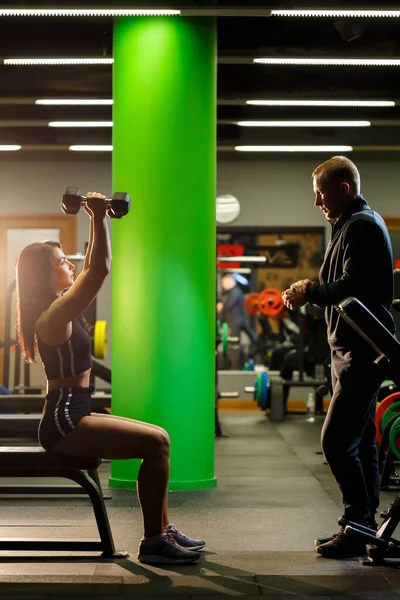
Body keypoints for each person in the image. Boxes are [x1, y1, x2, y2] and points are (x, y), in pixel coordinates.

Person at [15, 192, 205, 565]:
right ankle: (153, 542)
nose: (69, 263)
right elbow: (97, 271)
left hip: (75, 413)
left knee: (159, 439)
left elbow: (88, 267)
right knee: (154, 445)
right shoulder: (52, 316)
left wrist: (96, 216)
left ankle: (162, 530)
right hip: (64, 422)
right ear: (44, 274)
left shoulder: (57, 308)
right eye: (60, 261)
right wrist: (98, 217)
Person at [283, 156, 395, 559]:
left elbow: (354, 286)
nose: (317, 203)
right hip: (350, 349)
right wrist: (309, 288)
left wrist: (310, 291)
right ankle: (363, 526)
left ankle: (356, 524)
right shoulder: (350, 225)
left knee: (335, 441)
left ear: (342, 189)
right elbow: (343, 282)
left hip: (363, 350)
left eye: (320, 194)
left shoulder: (362, 225)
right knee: (361, 442)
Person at [217, 273, 255, 369]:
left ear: (231, 281)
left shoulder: (236, 292)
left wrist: (222, 307)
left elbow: (229, 305)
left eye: (224, 282)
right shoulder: (231, 293)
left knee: (234, 346)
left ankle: (236, 367)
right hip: (233, 323)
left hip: (235, 323)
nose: (222, 284)